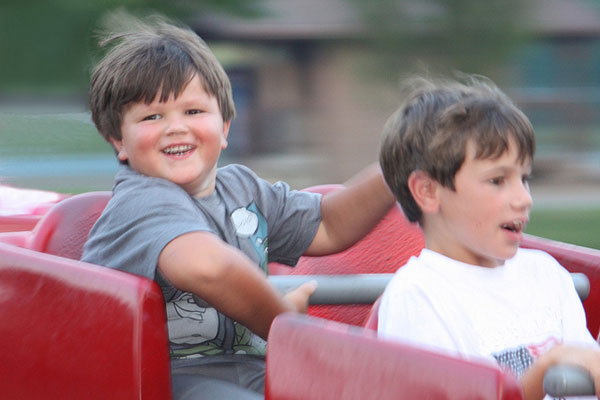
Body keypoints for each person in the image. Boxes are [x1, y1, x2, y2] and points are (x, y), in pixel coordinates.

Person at [81, 12, 395, 400]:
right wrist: (283, 321)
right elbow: (208, 267)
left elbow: (329, 224)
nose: (175, 127)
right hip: (163, 379)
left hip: (253, 372)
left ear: (225, 126)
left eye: (193, 111)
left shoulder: (243, 189)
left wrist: (398, 165)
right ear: (119, 141)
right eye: (152, 116)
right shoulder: (141, 200)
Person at [377, 76, 600, 400]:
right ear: (428, 191)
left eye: (524, 178)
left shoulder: (547, 275)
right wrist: (542, 373)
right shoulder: (417, 297)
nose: (524, 198)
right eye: (498, 180)